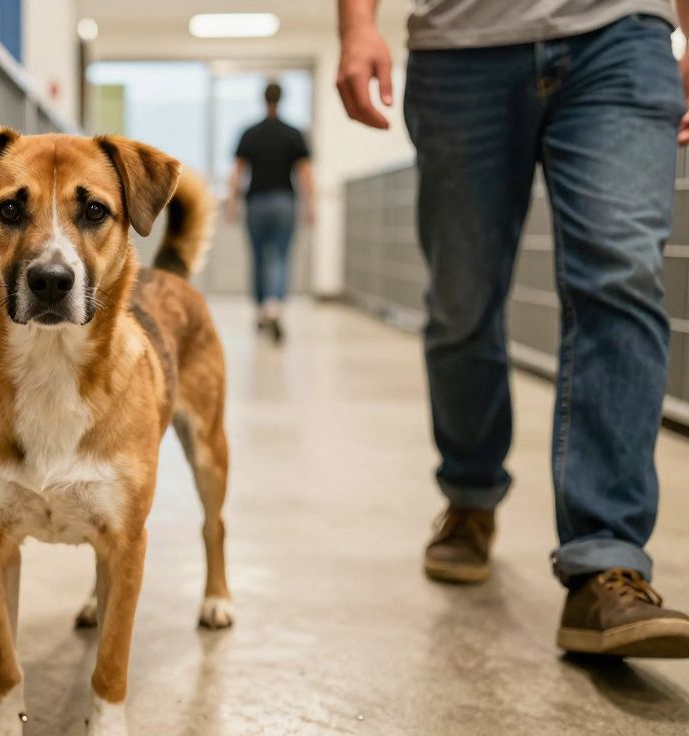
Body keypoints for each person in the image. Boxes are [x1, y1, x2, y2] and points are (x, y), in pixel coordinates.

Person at [336, 0, 689, 657]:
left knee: (621, 278)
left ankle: (605, 563)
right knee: (460, 303)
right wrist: (357, 26)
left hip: (620, 35)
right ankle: (470, 492)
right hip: (459, 46)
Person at [226, 82, 315, 343]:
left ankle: (261, 310)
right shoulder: (294, 133)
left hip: (256, 204)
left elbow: (237, 172)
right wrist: (311, 205)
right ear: (282, 98)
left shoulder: (250, 133)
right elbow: (305, 173)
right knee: (280, 256)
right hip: (285, 202)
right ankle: (274, 306)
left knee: (258, 257)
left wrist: (231, 203)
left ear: (263, 99)